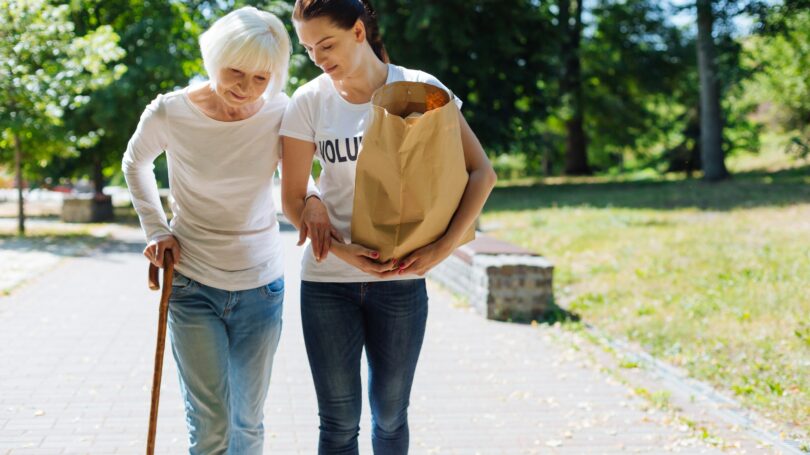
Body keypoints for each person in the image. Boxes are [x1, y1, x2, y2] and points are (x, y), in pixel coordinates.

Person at [279, 1, 498, 453]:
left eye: (327, 44)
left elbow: (482, 173)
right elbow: (292, 197)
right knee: (337, 424)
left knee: (391, 416)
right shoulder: (309, 101)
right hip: (327, 283)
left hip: (400, 283)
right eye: (308, 49)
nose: (318, 58)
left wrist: (440, 251)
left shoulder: (421, 90)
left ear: (358, 31)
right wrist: (340, 249)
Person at [122, 7, 310, 454]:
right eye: (236, 72)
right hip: (193, 284)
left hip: (261, 287)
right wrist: (156, 228)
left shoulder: (282, 112)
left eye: (261, 78)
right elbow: (136, 163)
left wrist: (315, 199)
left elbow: (300, 176)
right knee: (211, 427)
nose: (245, 90)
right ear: (214, 59)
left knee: (247, 423)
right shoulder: (171, 111)